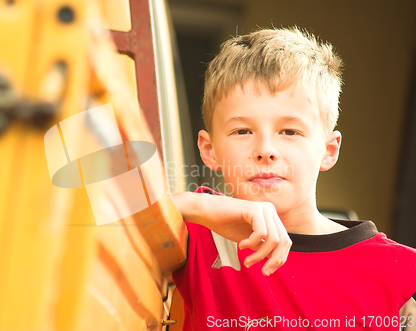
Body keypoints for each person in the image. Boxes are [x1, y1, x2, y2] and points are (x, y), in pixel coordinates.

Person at [171, 27, 416, 330]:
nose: (265, 150)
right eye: (242, 131)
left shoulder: (404, 275)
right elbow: (102, 196)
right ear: (209, 151)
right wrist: (192, 207)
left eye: (289, 131)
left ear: (328, 150)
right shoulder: (198, 232)